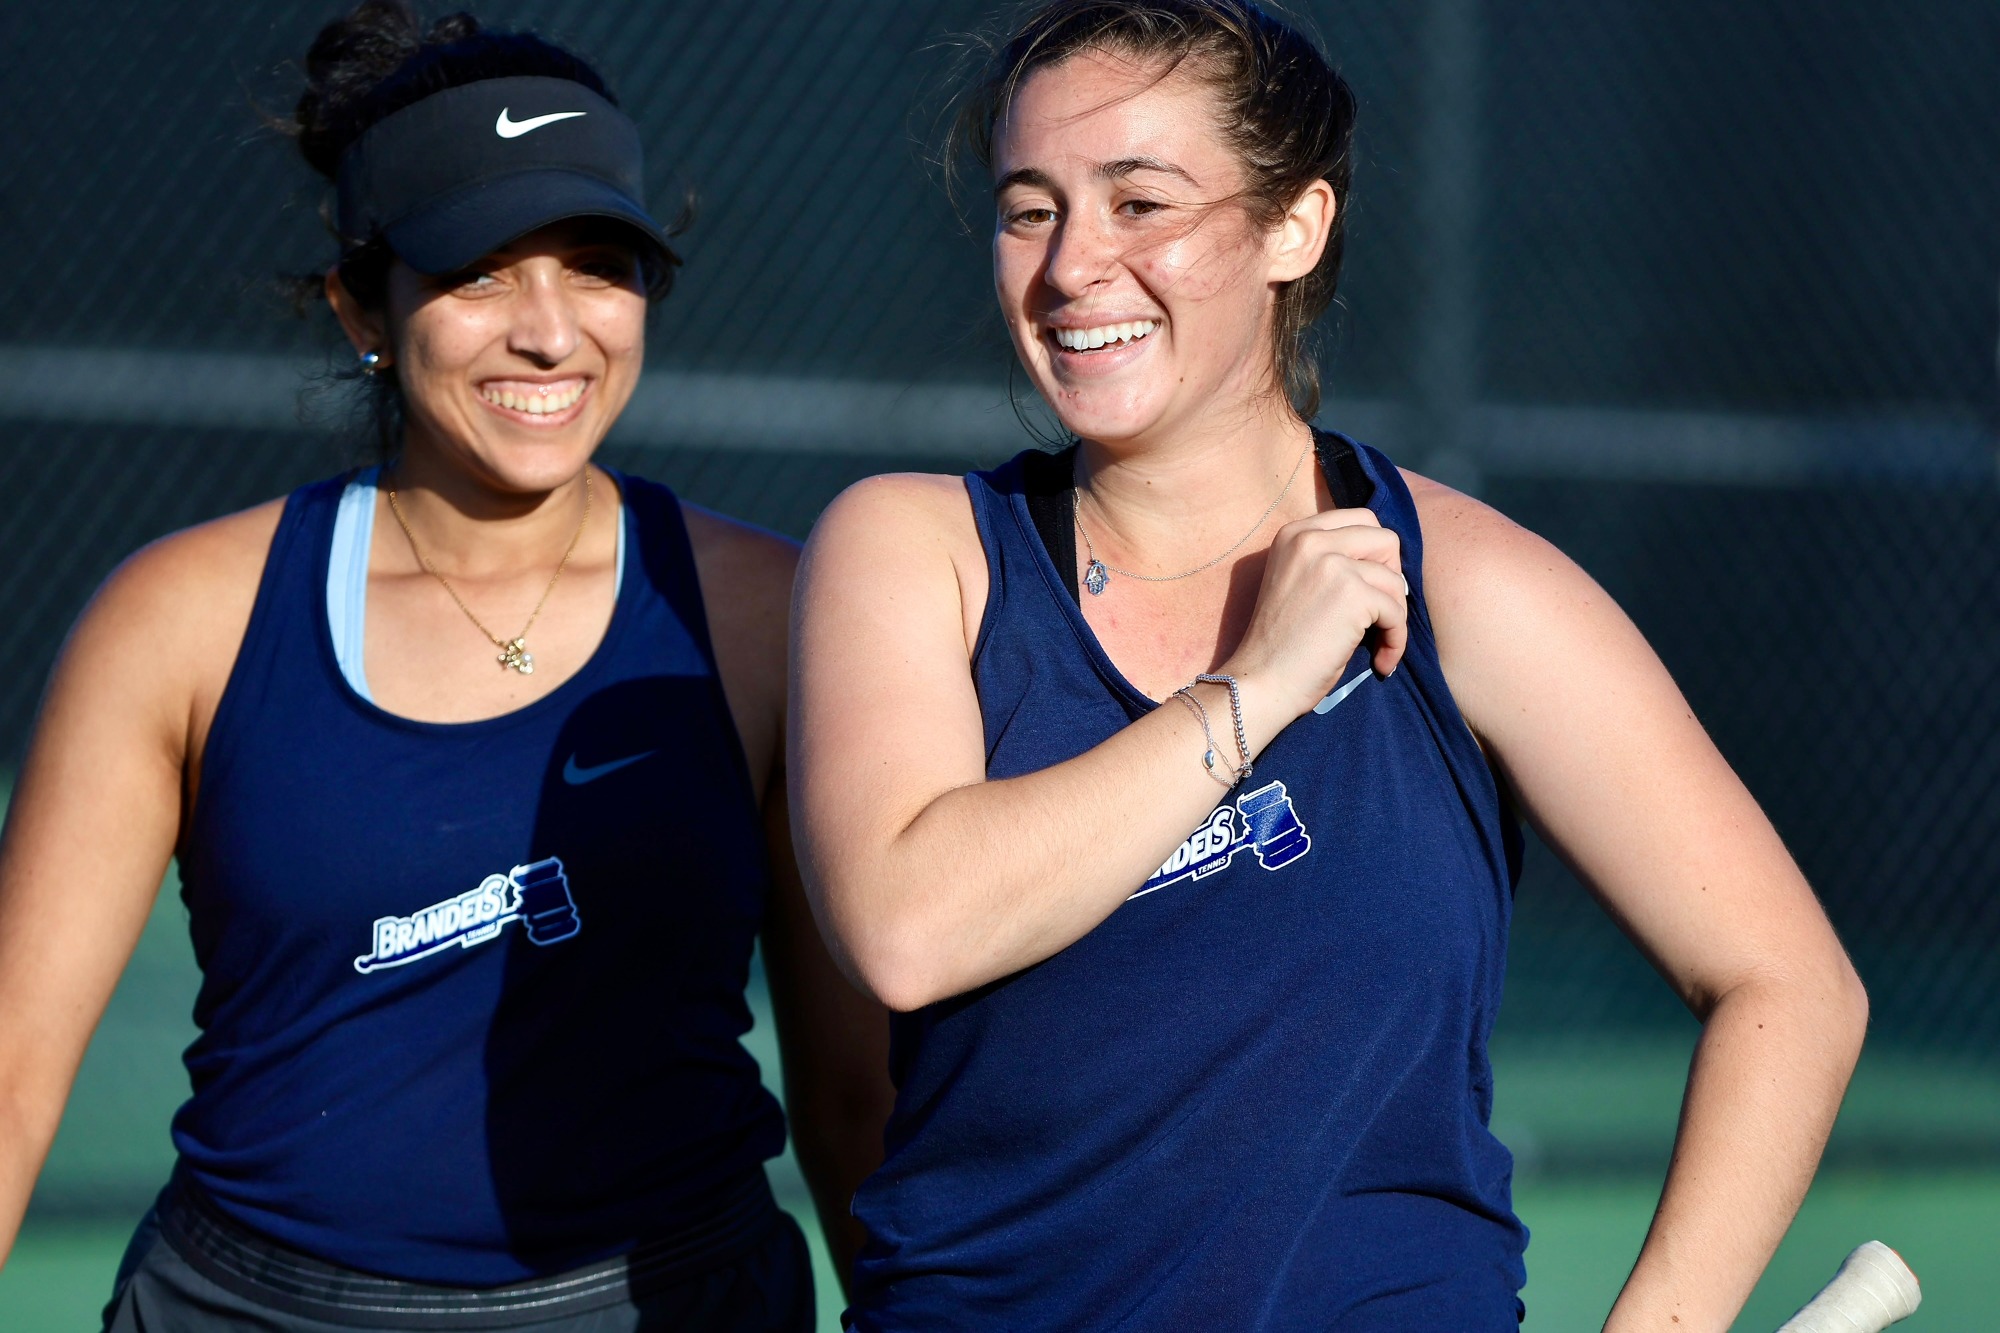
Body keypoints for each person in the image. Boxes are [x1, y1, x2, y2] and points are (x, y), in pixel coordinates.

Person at [789, 1, 1868, 1328]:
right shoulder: (914, 550)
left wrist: (1665, 1322)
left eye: (1143, 203)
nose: (1073, 266)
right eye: (1031, 209)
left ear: (1291, 228)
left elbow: (1790, 985)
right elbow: (908, 926)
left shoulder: (1477, 586)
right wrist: (1254, 685)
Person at [0, 3, 890, 1329]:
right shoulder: (179, 618)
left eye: (597, 264)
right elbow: (9, 1071)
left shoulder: (769, 612)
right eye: (478, 271)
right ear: (366, 303)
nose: (549, 332)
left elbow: (854, 1096)